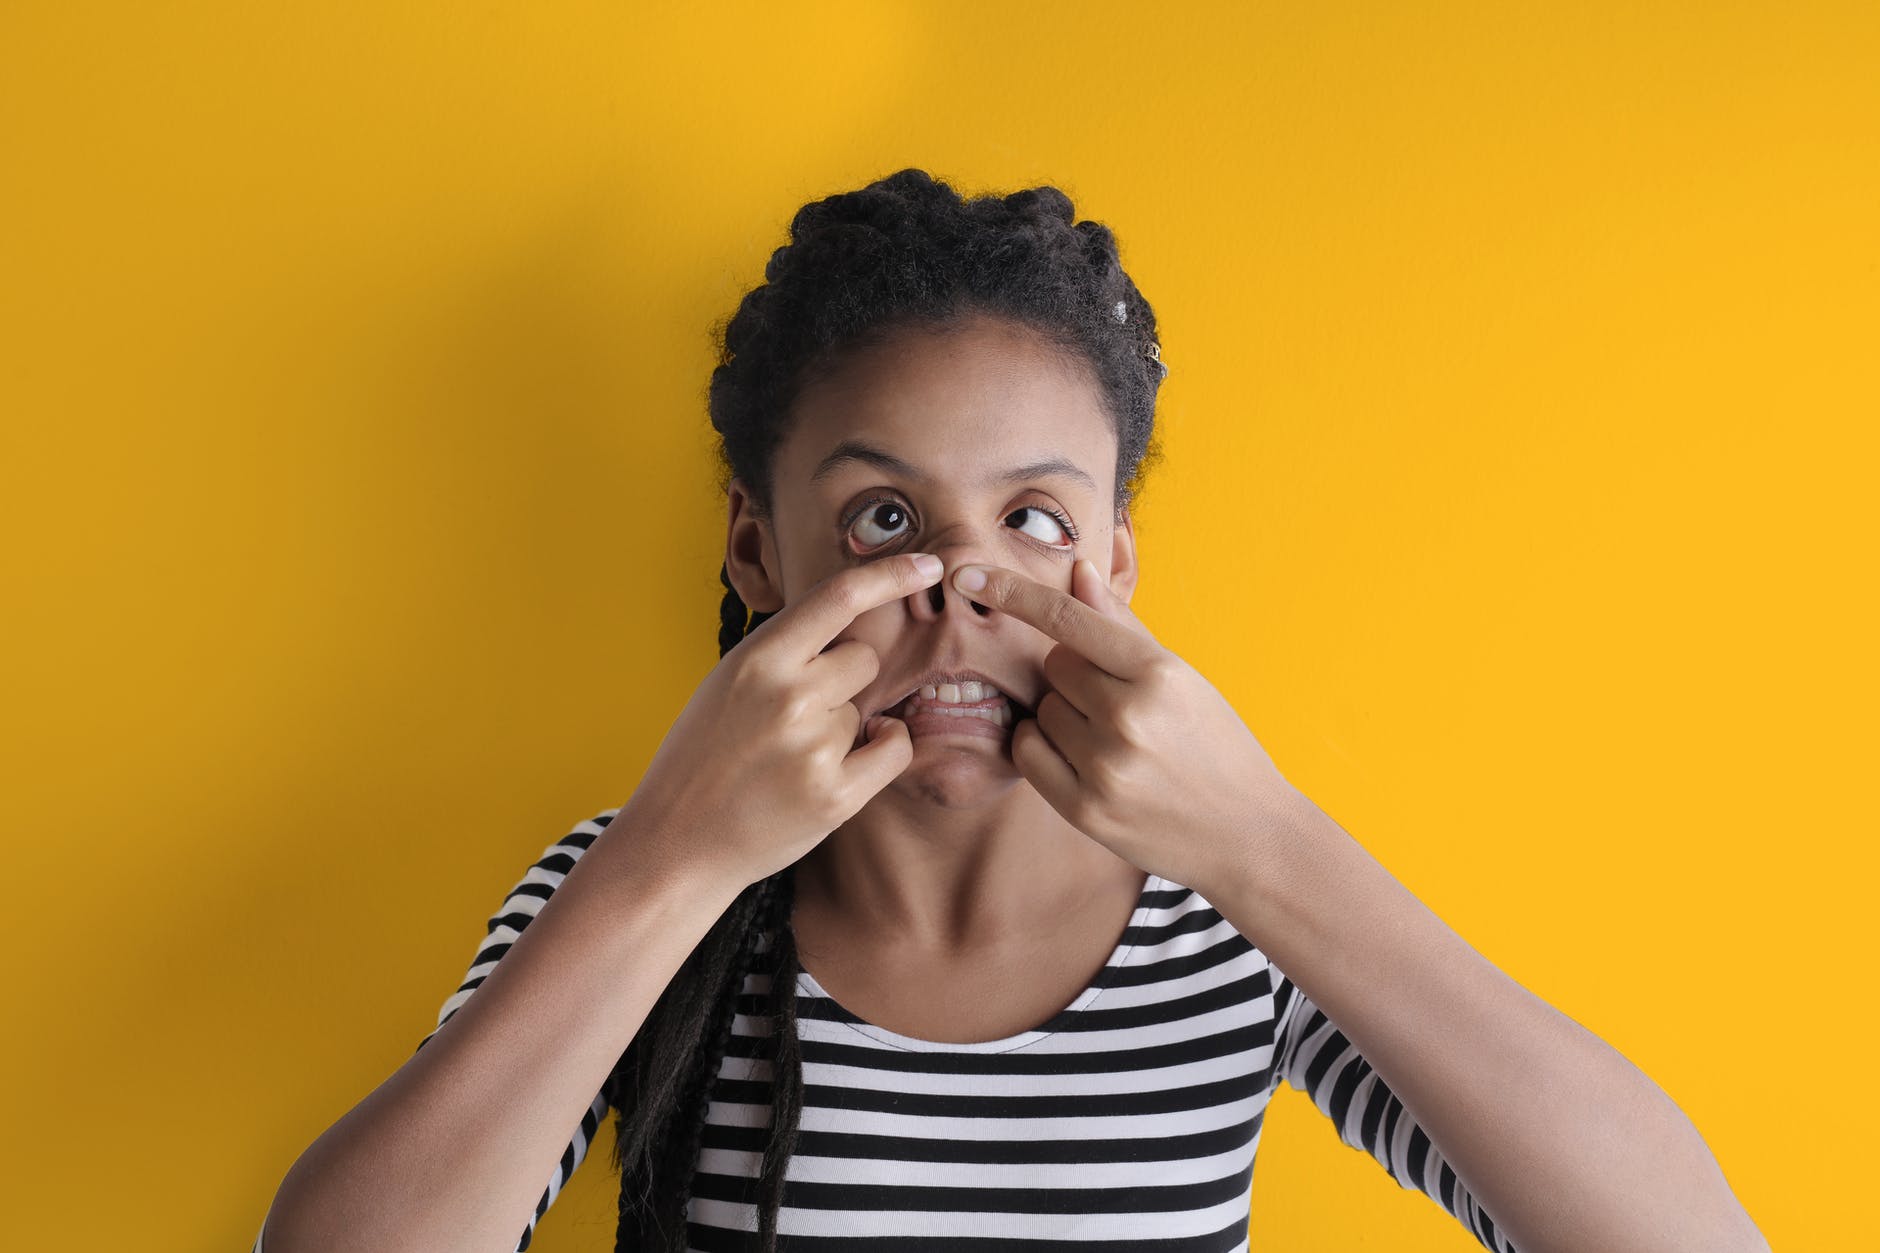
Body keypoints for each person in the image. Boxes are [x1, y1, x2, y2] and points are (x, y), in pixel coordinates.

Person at [251, 169, 1766, 1253]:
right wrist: (668, 861)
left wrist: (1263, 843)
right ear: (756, 548)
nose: (960, 587)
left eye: (1032, 522)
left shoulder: (1235, 922)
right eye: (884, 517)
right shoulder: (643, 886)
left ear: (1113, 564)